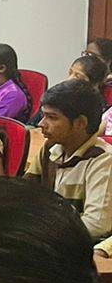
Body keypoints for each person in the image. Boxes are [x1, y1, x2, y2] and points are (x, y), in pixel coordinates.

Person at [27, 80, 112, 245]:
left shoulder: (103, 161)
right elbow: (25, 195)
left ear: (81, 123)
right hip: (46, 238)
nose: (41, 124)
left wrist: (42, 230)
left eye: (52, 118)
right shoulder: (50, 149)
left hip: (75, 249)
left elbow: (96, 225)